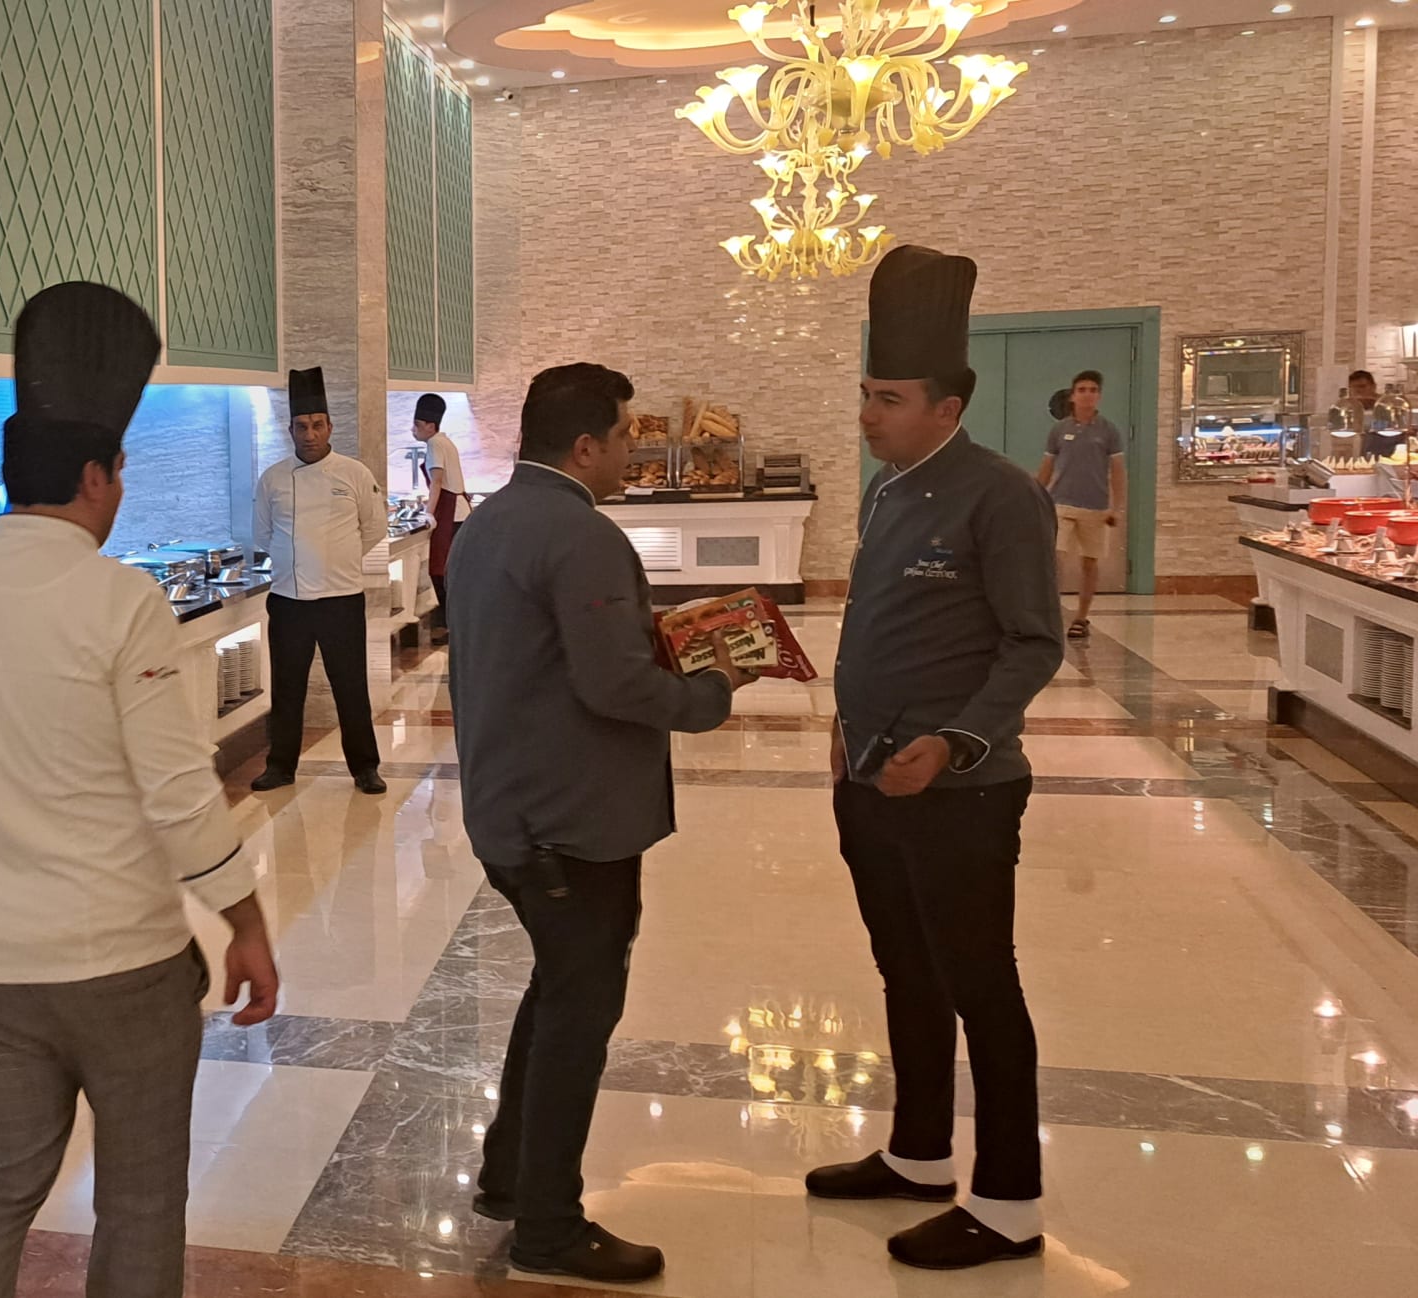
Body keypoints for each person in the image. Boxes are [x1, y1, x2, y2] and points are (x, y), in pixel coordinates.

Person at [0, 281, 280, 1298]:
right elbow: (177, 792)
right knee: (141, 1200)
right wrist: (244, 918)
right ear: (91, 476)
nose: (118, 492)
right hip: (123, 962)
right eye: (118, 473)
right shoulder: (120, 597)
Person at [444, 362, 752, 1285]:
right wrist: (713, 689)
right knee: (580, 1012)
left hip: (512, 806)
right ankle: (548, 1230)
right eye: (622, 438)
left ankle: (509, 1176)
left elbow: (554, 653)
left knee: (559, 988)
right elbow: (613, 682)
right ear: (585, 446)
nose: (630, 453)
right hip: (569, 823)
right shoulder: (579, 533)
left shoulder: (488, 522)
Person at [807, 245, 1064, 1271]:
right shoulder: (883, 490)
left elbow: (1033, 642)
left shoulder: (1000, 496)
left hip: (960, 789)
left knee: (979, 982)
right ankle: (918, 1153)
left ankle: (1008, 1202)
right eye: (866, 393)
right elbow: (880, 621)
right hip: (871, 777)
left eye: (890, 399)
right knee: (904, 970)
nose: (869, 415)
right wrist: (845, 720)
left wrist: (958, 738)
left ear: (947, 407)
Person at [249, 367, 391, 796]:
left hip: (341, 600)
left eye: (316, 425)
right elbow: (262, 534)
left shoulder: (354, 473)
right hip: (288, 600)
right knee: (287, 687)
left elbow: (374, 528)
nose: (309, 434)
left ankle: (365, 768)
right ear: (290, 429)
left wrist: (337, 562)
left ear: (330, 427)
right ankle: (280, 766)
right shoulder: (273, 478)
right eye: (301, 426)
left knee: (351, 687)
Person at [1032, 370, 1123, 639]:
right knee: (1056, 557)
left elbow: (1118, 471)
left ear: (1099, 396)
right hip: (1061, 503)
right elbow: (1047, 467)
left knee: (1089, 563)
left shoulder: (1108, 431)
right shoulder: (1060, 430)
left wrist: (1117, 507)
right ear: (1072, 396)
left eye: (1093, 390)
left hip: (1095, 506)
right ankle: (1050, 614)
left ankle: (1081, 617)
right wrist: (1035, 495)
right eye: (1082, 390)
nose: (1087, 395)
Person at [418, 393, 470, 640]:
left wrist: (428, 513)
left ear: (430, 426)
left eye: (417, 425)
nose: (414, 430)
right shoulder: (445, 441)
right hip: (459, 509)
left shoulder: (434, 443)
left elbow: (437, 481)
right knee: (451, 571)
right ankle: (453, 624)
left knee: (440, 571)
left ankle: (447, 626)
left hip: (450, 512)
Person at [1337, 368, 1406, 460]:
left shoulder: (1389, 404)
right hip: (1367, 454)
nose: (1358, 391)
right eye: (1353, 388)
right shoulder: (1349, 408)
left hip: (1394, 452)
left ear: (1373, 387)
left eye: (1362, 386)